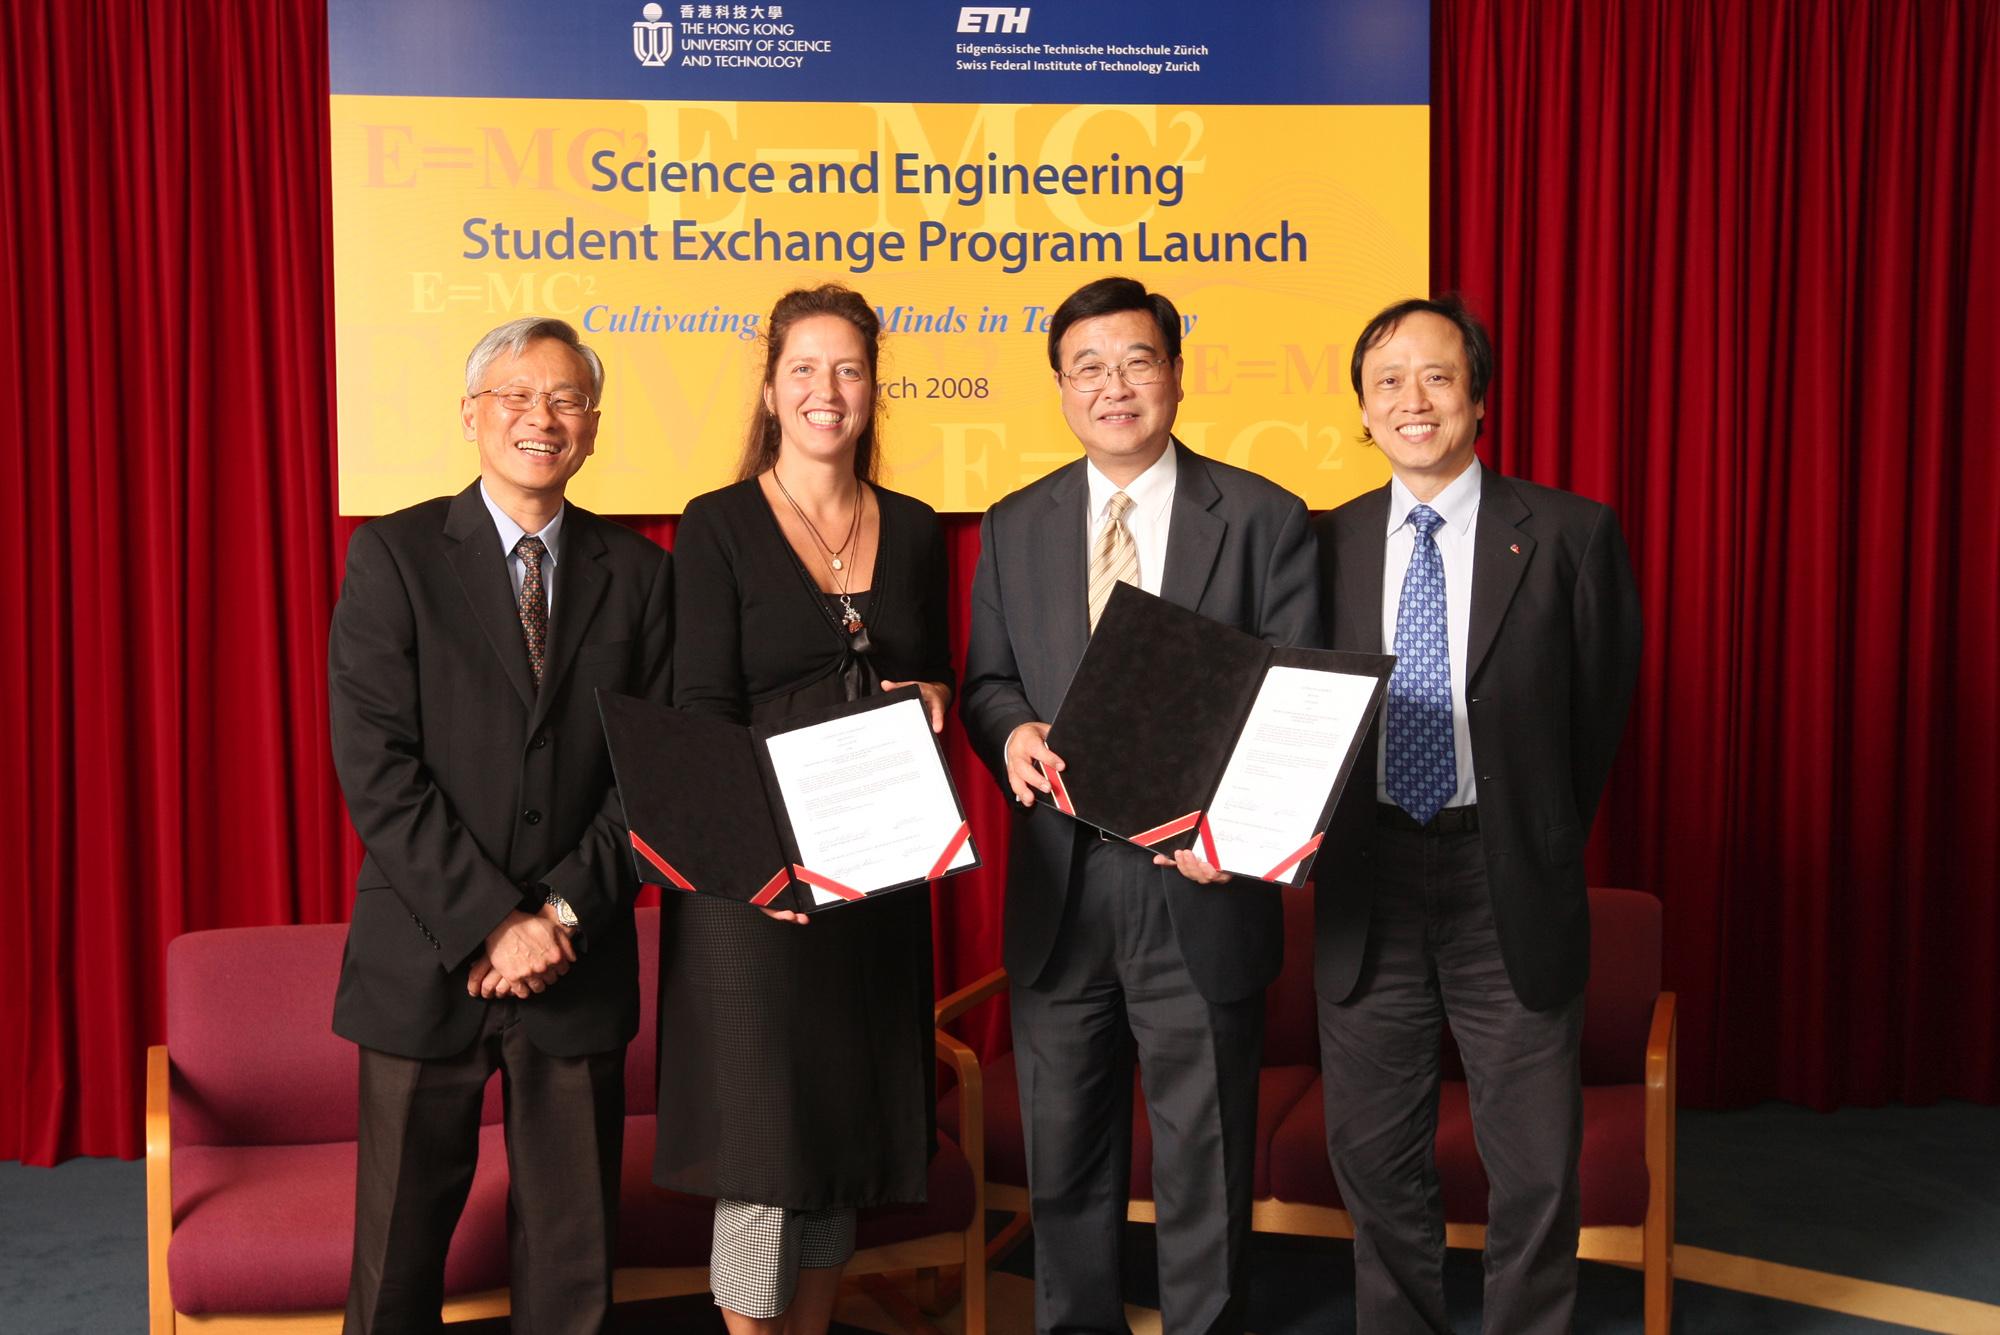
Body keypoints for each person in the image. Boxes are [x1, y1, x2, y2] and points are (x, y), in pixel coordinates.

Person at [959, 275, 1318, 1334]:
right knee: (1064, 1158)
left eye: (1136, 361)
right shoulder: (1014, 523)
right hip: (1062, 890)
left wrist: (1236, 836)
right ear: (1060, 388)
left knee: (1201, 1162)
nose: (1113, 386)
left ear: (1174, 370)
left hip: (1196, 888)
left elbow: (1294, 701)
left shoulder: (1261, 519)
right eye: (1087, 368)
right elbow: (986, 682)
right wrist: (1010, 731)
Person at [329, 316, 673, 1333]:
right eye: (517, 396)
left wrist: (557, 914)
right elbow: (376, 768)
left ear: (594, 429)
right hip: (425, 952)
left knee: (573, 1267)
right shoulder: (393, 556)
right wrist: (493, 920)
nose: (541, 418)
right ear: (472, 415)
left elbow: (648, 781)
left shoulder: (642, 575)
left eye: (565, 400)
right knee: (395, 1258)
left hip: (578, 957)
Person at [1313, 296, 1642, 1334]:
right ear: (1360, 413)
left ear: (1479, 399)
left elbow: (1594, 717)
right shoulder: (1316, 547)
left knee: (1535, 1166)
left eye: (1436, 378)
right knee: (1374, 1161)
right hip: (1367, 885)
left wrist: (1528, 832)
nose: (1412, 401)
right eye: (1386, 384)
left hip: (1506, 881)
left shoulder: (1568, 535)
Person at [655, 284, 954, 1335]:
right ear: (771, 389)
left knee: (838, 1143)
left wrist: (928, 701)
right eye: (804, 370)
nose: (826, 390)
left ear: (873, 389)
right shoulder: (716, 527)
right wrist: (761, 867)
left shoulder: (914, 529)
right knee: (762, 1154)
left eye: (847, 370)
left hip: (870, 881)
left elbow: (936, 685)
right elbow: (699, 715)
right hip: (757, 892)